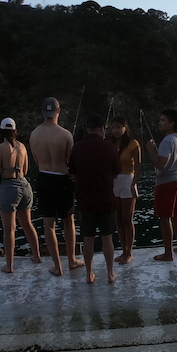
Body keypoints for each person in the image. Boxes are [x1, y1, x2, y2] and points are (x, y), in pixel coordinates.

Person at [31, 97, 83, 276]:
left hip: (44, 178)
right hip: (62, 179)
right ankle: (72, 260)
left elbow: (37, 161)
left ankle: (57, 266)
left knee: (48, 224)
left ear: (43, 112)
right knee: (68, 221)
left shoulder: (34, 135)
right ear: (58, 111)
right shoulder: (65, 134)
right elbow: (71, 162)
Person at [69, 114, 121, 284]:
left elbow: (73, 173)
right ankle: (110, 274)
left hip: (85, 200)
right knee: (107, 237)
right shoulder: (110, 147)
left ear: (87, 129)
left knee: (88, 238)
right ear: (101, 129)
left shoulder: (77, 148)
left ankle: (89, 274)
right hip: (106, 199)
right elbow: (116, 172)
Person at [0, 118, 42, 273]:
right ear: (15, 131)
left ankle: (9, 265)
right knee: (27, 223)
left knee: (9, 229)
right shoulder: (22, 147)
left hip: (8, 186)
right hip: (24, 185)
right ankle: (36, 255)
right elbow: (25, 170)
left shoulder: (0, 148)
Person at [148, 109, 177, 261]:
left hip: (167, 182)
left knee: (165, 218)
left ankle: (168, 253)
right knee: (176, 215)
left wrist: (151, 150)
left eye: (163, 120)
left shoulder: (167, 141)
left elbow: (161, 164)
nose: (160, 123)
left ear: (172, 123)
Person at [110, 116, 141, 264]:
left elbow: (138, 166)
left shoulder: (133, 144)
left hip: (128, 180)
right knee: (118, 219)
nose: (115, 130)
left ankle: (129, 252)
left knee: (127, 219)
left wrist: (134, 184)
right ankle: (123, 250)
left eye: (118, 127)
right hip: (114, 182)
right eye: (113, 127)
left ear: (125, 127)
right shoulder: (110, 144)